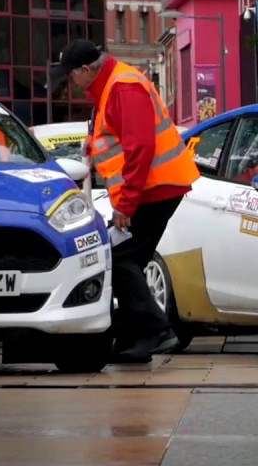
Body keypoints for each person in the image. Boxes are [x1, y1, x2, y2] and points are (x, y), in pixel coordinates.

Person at [49, 40, 199, 361]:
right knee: (127, 260)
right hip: (155, 187)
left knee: (119, 259)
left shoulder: (123, 89)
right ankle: (134, 339)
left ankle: (156, 331)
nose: (69, 82)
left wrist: (126, 206)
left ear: (87, 70)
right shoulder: (109, 89)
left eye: (71, 75)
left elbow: (140, 149)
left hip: (155, 189)